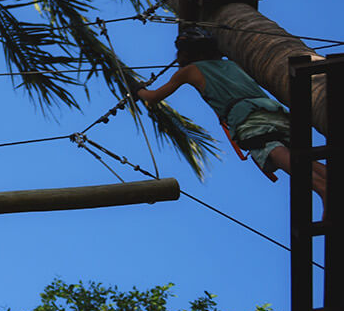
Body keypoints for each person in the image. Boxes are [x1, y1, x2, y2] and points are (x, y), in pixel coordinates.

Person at [135, 51, 325, 205]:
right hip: (276, 112)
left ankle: (323, 190)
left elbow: (153, 98)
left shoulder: (190, 70)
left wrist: (137, 89)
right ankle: (330, 179)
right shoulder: (233, 64)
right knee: (296, 154)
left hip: (247, 115)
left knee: (271, 150)